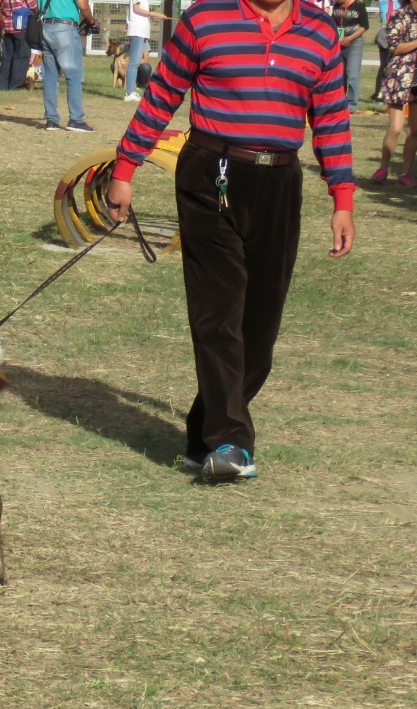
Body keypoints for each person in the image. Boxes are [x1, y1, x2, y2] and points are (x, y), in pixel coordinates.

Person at [107, 0, 356, 482]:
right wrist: (125, 169)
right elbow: (160, 96)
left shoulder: (321, 31)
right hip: (210, 173)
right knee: (217, 312)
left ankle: (204, 433)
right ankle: (230, 442)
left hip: (280, 182)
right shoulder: (204, 19)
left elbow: (330, 117)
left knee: (260, 329)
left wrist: (342, 197)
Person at [371, 0, 417, 184]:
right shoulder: (400, 15)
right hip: (400, 75)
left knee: (414, 130)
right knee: (396, 128)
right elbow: (395, 48)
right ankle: (383, 167)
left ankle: (405, 173)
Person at [40, 0, 99, 131]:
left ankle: (51, 119)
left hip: (46, 27)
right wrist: (91, 20)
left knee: (50, 76)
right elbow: (83, 5)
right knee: (73, 75)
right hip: (65, 28)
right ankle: (76, 119)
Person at [123, 0, 170, 101]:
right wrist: (155, 13)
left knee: (135, 63)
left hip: (141, 31)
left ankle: (132, 91)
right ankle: (129, 92)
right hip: (137, 31)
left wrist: (150, 17)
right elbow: (136, 9)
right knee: (134, 62)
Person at [332, 0, 369, 111]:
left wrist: (350, 38)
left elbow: (364, 26)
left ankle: (352, 104)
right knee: (340, 75)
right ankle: (340, 102)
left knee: (352, 74)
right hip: (339, 43)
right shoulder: (336, 6)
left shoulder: (359, 5)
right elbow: (333, 23)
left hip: (354, 43)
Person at [0, 0, 34, 91]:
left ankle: (3, 85)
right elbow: (33, 5)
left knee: (7, 58)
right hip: (21, 27)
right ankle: (16, 86)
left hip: (8, 27)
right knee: (21, 57)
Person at [375, 0, 402, 100]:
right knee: (383, 66)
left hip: (398, 35)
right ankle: (378, 94)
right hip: (384, 35)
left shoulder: (401, 3)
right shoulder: (382, 2)